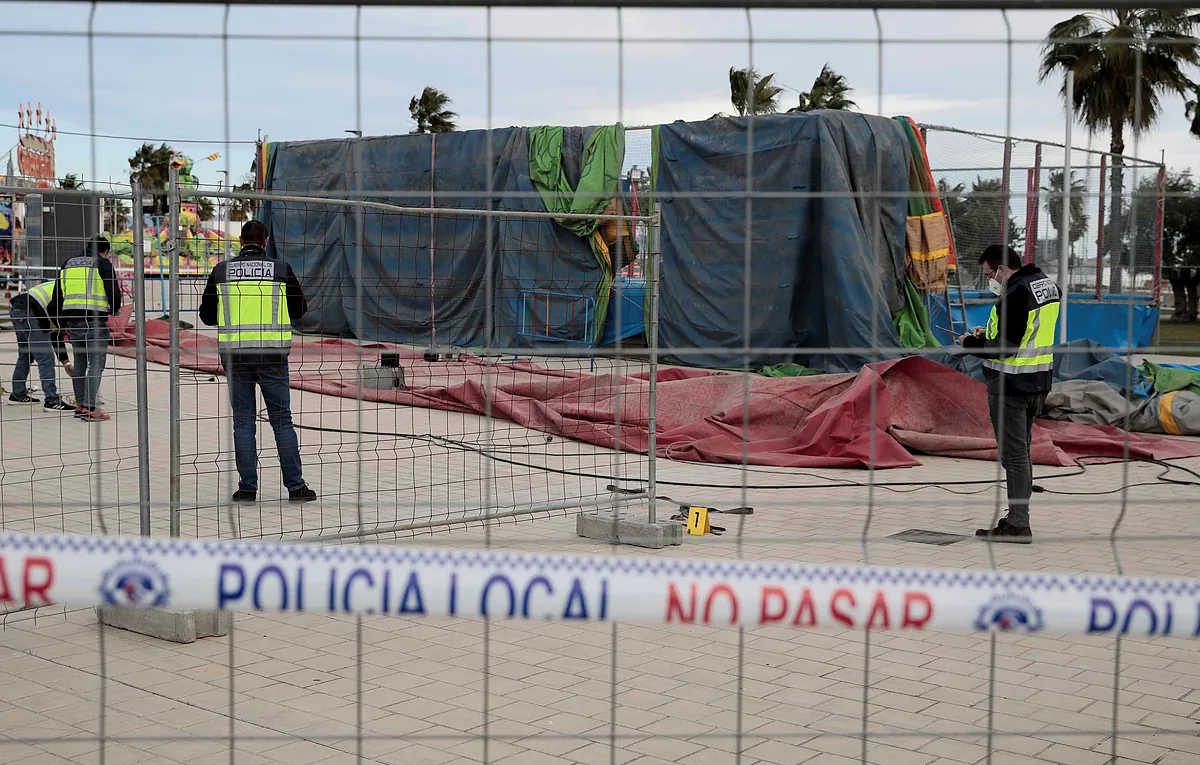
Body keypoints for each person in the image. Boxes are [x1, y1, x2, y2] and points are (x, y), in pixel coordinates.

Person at [199, 220, 316, 504]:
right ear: (266, 241)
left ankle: (247, 489)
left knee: (243, 423)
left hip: (236, 357)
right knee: (281, 421)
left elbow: (207, 317)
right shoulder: (280, 269)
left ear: (241, 241)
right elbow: (300, 310)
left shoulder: (221, 271)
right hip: (273, 356)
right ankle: (295, 487)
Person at [960, 244, 1060, 544]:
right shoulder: (1046, 286)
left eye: (989, 273)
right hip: (1038, 382)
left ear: (1001, 268)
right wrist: (987, 335)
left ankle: (1018, 524)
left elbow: (1008, 348)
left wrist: (970, 344)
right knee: (1022, 452)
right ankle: (1017, 518)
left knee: (1014, 456)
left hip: (1011, 386)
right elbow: (1029, 332)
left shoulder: (1013, 296)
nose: (990, 279)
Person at [56, 234, 120, 422]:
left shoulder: (67, 263)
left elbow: (58, 293)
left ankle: (80, 406)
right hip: (94, 322)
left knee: (81, 364)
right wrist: (115, 310)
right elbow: (113, 292)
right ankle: (90, 408)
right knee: (96, 364)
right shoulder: (103, 264)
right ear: (104, 250)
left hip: (72, 321)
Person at [8, 278, 74, 411]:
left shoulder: (62, 285)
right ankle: (52, 400)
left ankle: (18, 394)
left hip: (18, 310)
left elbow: (55, 333)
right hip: (30, 313)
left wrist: (65, 362)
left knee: (26, 354)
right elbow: (57, 331)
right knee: (46, 358)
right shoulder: (69, 294)